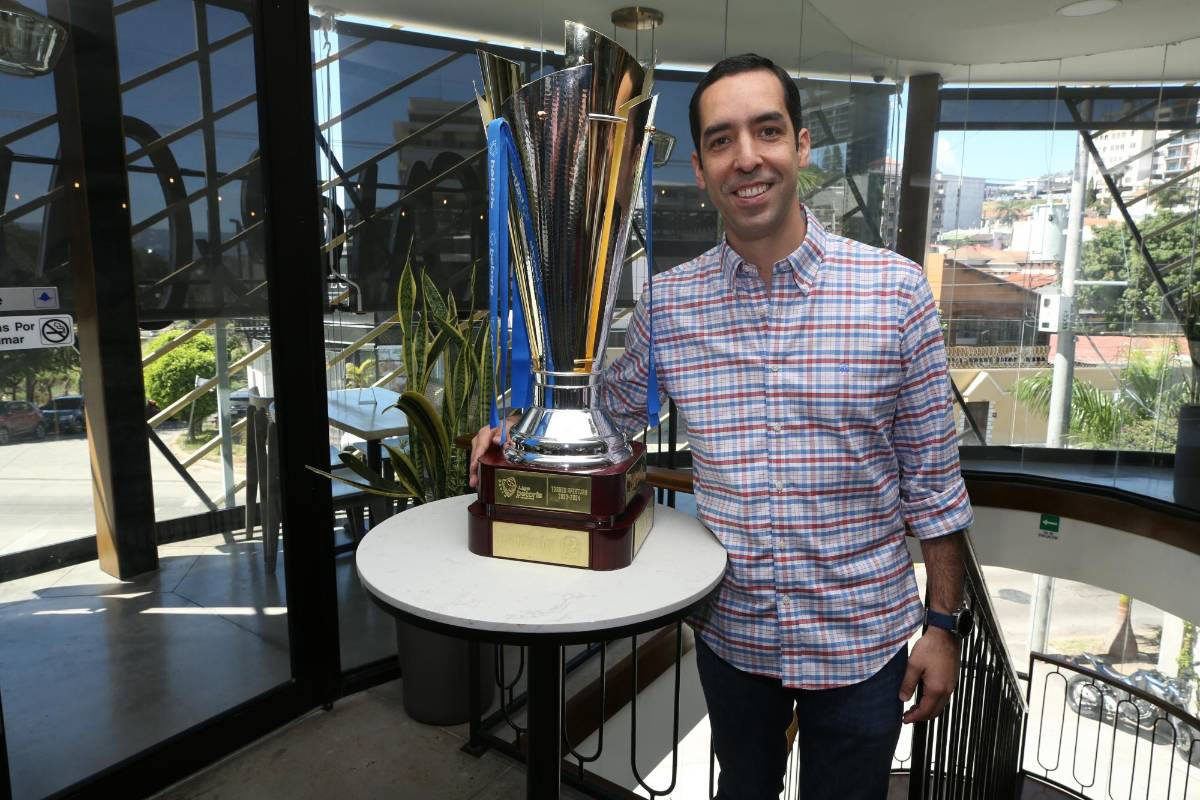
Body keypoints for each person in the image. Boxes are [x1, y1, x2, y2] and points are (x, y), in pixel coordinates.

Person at [471, 53, 973, 800]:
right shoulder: (671, 305)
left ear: (801, 145)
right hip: (734, 639)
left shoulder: (896, 294)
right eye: (720, 140)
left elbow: (934, 485)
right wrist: (516, 438)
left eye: (767, 131)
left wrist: (942, 626)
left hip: (862, 644)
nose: (746, 157)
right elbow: (607, 413)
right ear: (702, 170)